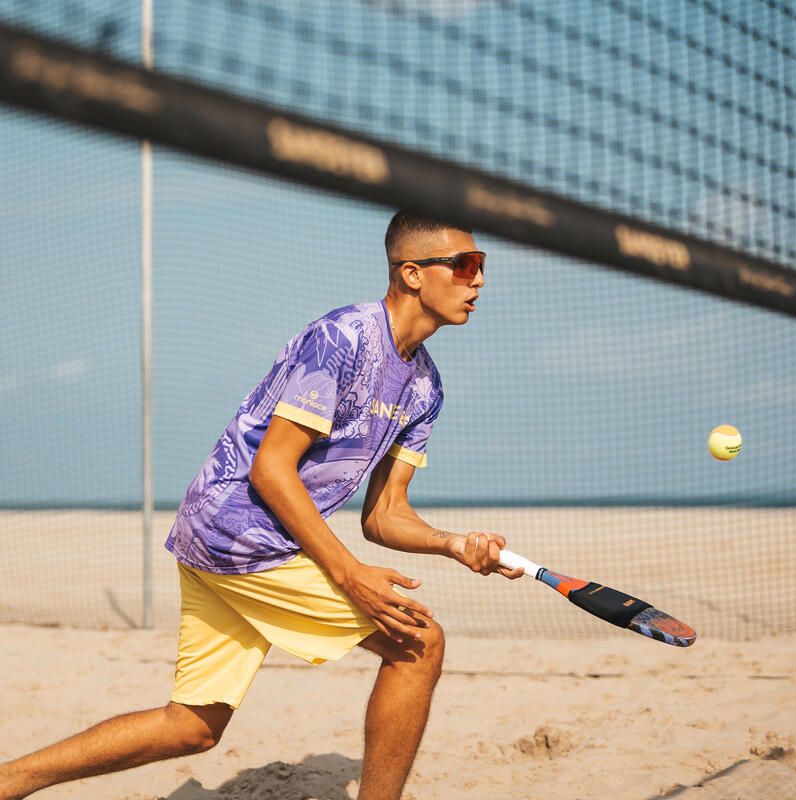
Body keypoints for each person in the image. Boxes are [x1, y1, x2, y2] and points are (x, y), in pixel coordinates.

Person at [0, 210, 523, 800]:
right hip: (238, 530)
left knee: (192, 727)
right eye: (465, 265)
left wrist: (452, 544)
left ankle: (7, 781)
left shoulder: (426, 386)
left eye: (481, 267)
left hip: (225, 533)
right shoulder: (344, 338)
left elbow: (383, 515)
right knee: (418, 644)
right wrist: (348, 573)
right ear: (410, 273)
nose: (478, 280)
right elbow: (271, 468)